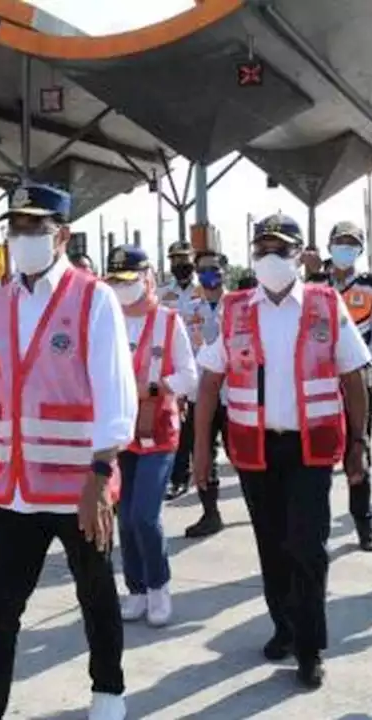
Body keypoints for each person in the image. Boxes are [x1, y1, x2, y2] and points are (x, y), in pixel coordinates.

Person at [0, 183, 137, 719]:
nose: (22, 238)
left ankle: (108, 694)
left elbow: (115, 393)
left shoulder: (93, 297)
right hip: (15, 489)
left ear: (61, 235)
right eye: (15, 228)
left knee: (95, 596)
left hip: (78, 485)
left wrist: (101, 475)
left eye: (34, 229)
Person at [193, 212, 371, 689]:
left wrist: (359, 442)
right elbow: (209, 382)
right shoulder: (234, 309)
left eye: (281, 249)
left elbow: (354, 376)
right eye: (263, 248)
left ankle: (311, 648)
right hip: (254, 449)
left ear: (300, 255)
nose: (271, 257)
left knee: (307, 547)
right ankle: (284, 628)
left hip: (310, 448)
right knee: (271, 546)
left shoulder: (323, 303)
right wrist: (199, 452)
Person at [104, 245, 197, 627]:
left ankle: (159, 587)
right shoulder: (107, 319)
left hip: (158, 431)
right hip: (119, 434)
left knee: (145, 515)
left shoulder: (168, 321)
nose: (124, 289)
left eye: (130, 281)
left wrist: (154, 388)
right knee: (123, 519)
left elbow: (190, 376)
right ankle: (137, 589)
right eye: (116, 281)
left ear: (148, 279)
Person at [322, 221, 372, 552]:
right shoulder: (314, 285)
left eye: (352, 243)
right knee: (317, 453)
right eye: (340, 242)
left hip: (358, 384)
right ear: (329, 245)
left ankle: (364, 523)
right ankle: (315, 524)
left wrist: (357, 360)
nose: (345, 249)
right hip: (319, 383)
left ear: (360, 249)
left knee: (357, 450)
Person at [183, 249, 230, 538]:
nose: (207, 275)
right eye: (201, 270)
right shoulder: (188, 307)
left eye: (213, 269)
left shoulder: (240, 304)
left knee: (240, 454)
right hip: (200, 392)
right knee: (201, 452)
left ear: (224, 270)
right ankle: (210, 513)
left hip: (233, 393)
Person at [159, 241, 201, 500]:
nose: (179, 265)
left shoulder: (205, 289)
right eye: (174, 260)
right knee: (183, 429)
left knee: (205, 426)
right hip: (179, 370)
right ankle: (179, 477)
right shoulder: (165, 293)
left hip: (206, 369)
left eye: (183, 259)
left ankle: (206, 471)